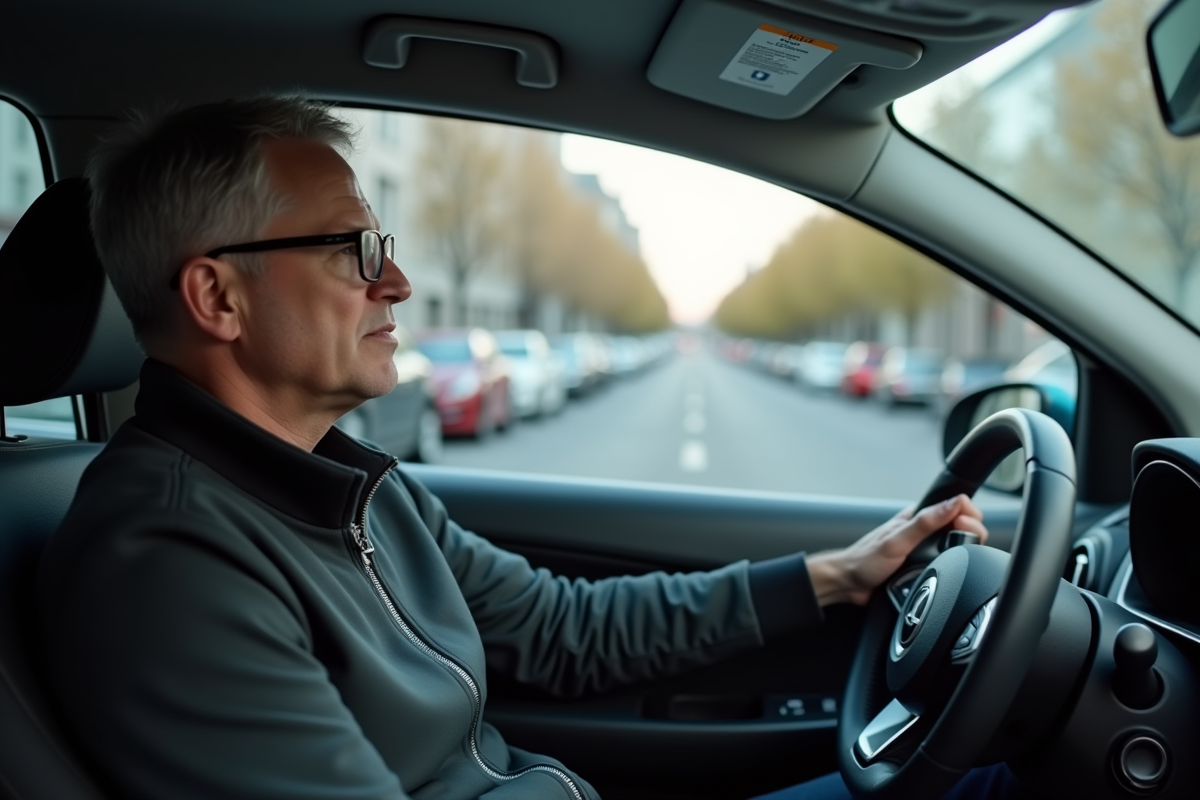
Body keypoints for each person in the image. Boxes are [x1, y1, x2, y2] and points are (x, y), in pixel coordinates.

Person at [36, 97, 989, 800]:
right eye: (356, 251)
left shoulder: (347, 485)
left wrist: (835, 576)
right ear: (218, 298)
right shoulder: (165, 561)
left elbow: (559, 629)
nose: (399, 283)